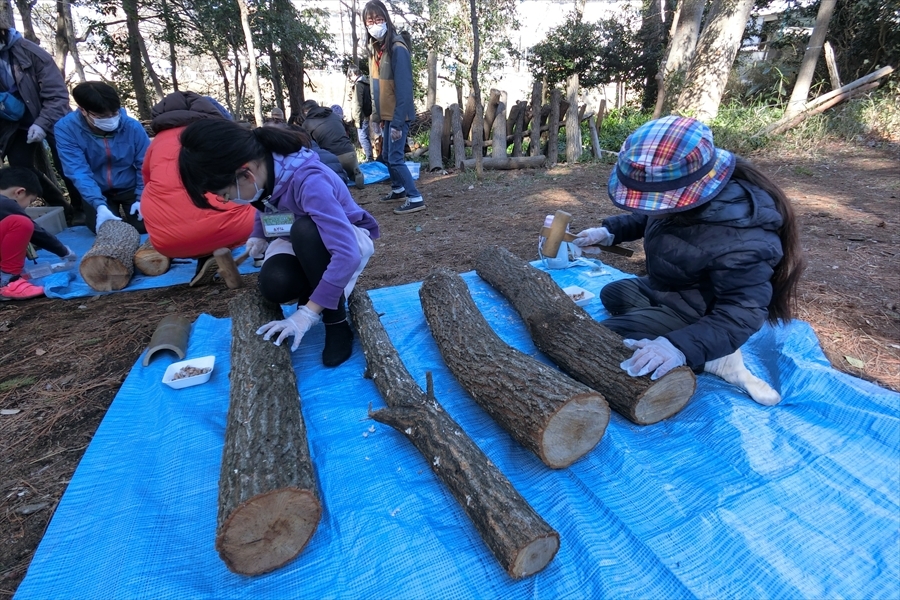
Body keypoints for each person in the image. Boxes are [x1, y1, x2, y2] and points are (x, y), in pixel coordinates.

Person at [572, 115, 805, 406]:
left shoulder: (743, 237)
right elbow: (651, 214)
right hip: (673, 289)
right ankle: (697, 343)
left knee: (606, 339)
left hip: (703, 312)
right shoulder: (685, 196)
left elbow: (742, 311)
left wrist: (677, 347)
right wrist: (608, 232)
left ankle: (715, 356)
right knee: (613, 293)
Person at [178, 119, 379, 367]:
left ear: (246, 173)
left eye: (226, 195)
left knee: (305, 230)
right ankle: (318, 289)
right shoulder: (265, 172)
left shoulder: (310, 181)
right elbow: (265, 203)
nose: (229, 201)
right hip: (298, 240)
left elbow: (346, 254)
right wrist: (258, 234)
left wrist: (305, 314)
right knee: (275, 284)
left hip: (346, 241)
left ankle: (335, 321)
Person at [140, 91, 256, 286]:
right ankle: (264, 253)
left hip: (167, 241)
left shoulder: (156, 144)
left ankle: (205, 256)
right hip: (232, 227)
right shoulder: (217, 135)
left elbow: (146, 181)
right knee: (258, 205)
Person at [0, 26, 81, 225]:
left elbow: (57, 96)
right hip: (14, 122)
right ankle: (60, 206)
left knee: (66, 165)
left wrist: (41, 124)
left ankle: (81, 208)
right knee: (21, 166)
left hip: (53, 117)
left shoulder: (32, 53)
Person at [54, 81, 150, 235]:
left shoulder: (132, 126)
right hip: (96, 187)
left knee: (145, 225)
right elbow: (77, 170)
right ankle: (102, 208)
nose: (110, 119)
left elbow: (145, 163)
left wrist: (141, 196)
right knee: (104, 230)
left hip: (130, 185)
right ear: (83, 110)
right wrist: (98, 204)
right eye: (101, 116)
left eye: (114, 114)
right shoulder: (66, 129)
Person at [363, 0, 423, 215]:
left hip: (399, 114)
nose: (375, 24)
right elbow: (377, 87)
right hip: (386, 114)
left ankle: (415, 197)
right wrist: (378, 116)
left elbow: (405, 89)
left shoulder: (398, 48)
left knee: (396, 158)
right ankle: (398, 189)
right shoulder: (376, 50)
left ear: (387, 20)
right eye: (370, 21)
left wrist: (397, 122)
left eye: (379, 20)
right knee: (387, 156)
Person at [0, 166, 75, 300]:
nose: (26, 207)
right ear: (20, 192)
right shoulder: (6, 204)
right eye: (30, 202)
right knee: (21, 223)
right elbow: (36, 232)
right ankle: (8, 281)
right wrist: (63, 251)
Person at [299, 99, 365, 189]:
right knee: (349, 170)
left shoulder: (307, 124)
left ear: (306, 112)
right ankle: (354, 172)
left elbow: (310, 146)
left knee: (334, 175)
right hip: (350, 152)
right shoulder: (333, 115)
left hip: (333, 159)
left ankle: (340, 177)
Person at [347, 65, 374, 162]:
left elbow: (357, 103)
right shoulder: (365, 82)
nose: (350, 78)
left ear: (354, 74)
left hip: (361, 116)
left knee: (363, 138)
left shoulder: (359, 85)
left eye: (350, 76)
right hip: (366, 114)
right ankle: (369, 156)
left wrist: (357, 119)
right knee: (365, 137)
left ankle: (369, 158)